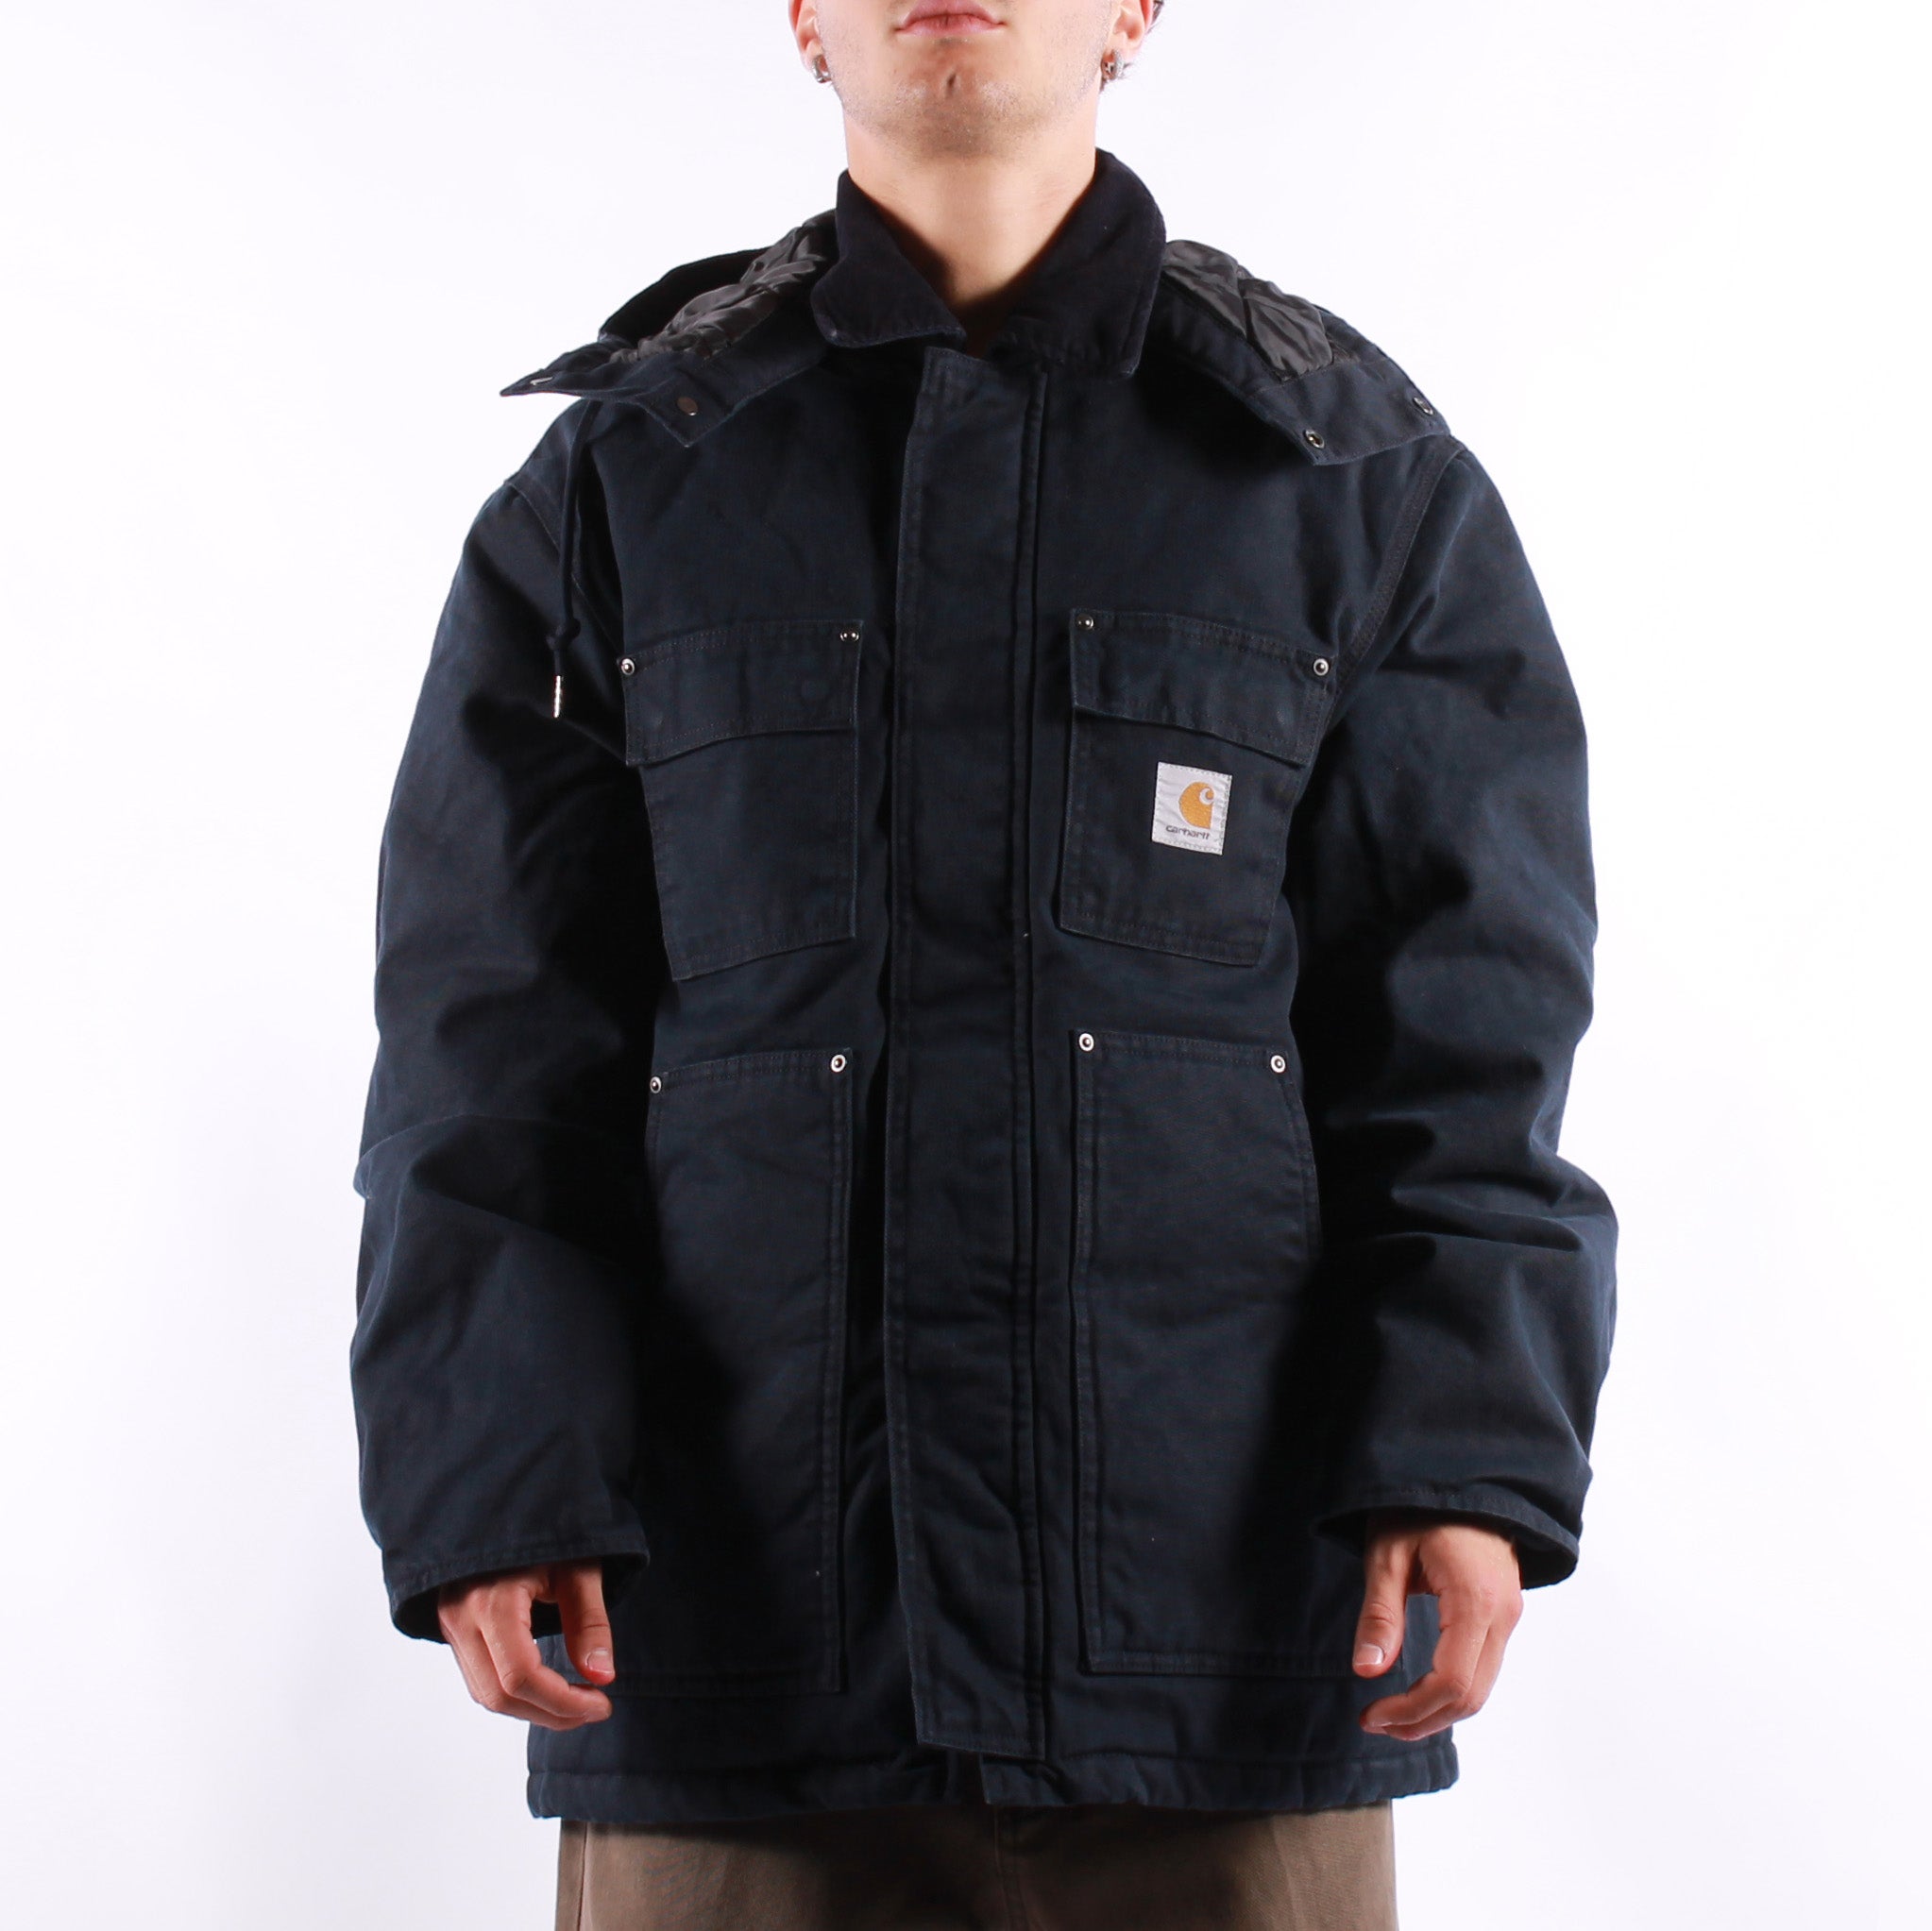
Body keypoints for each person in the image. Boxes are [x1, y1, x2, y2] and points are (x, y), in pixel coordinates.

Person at [348, 3, 1618, 1925]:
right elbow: (487, 1041)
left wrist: (1464, 1450)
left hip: (1221, 1644)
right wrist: (498, 1468)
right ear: (802, 17)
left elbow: (1467, 1035)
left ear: (1135, 11)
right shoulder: (624, 484)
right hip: (742, 1649)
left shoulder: (1347, 475)